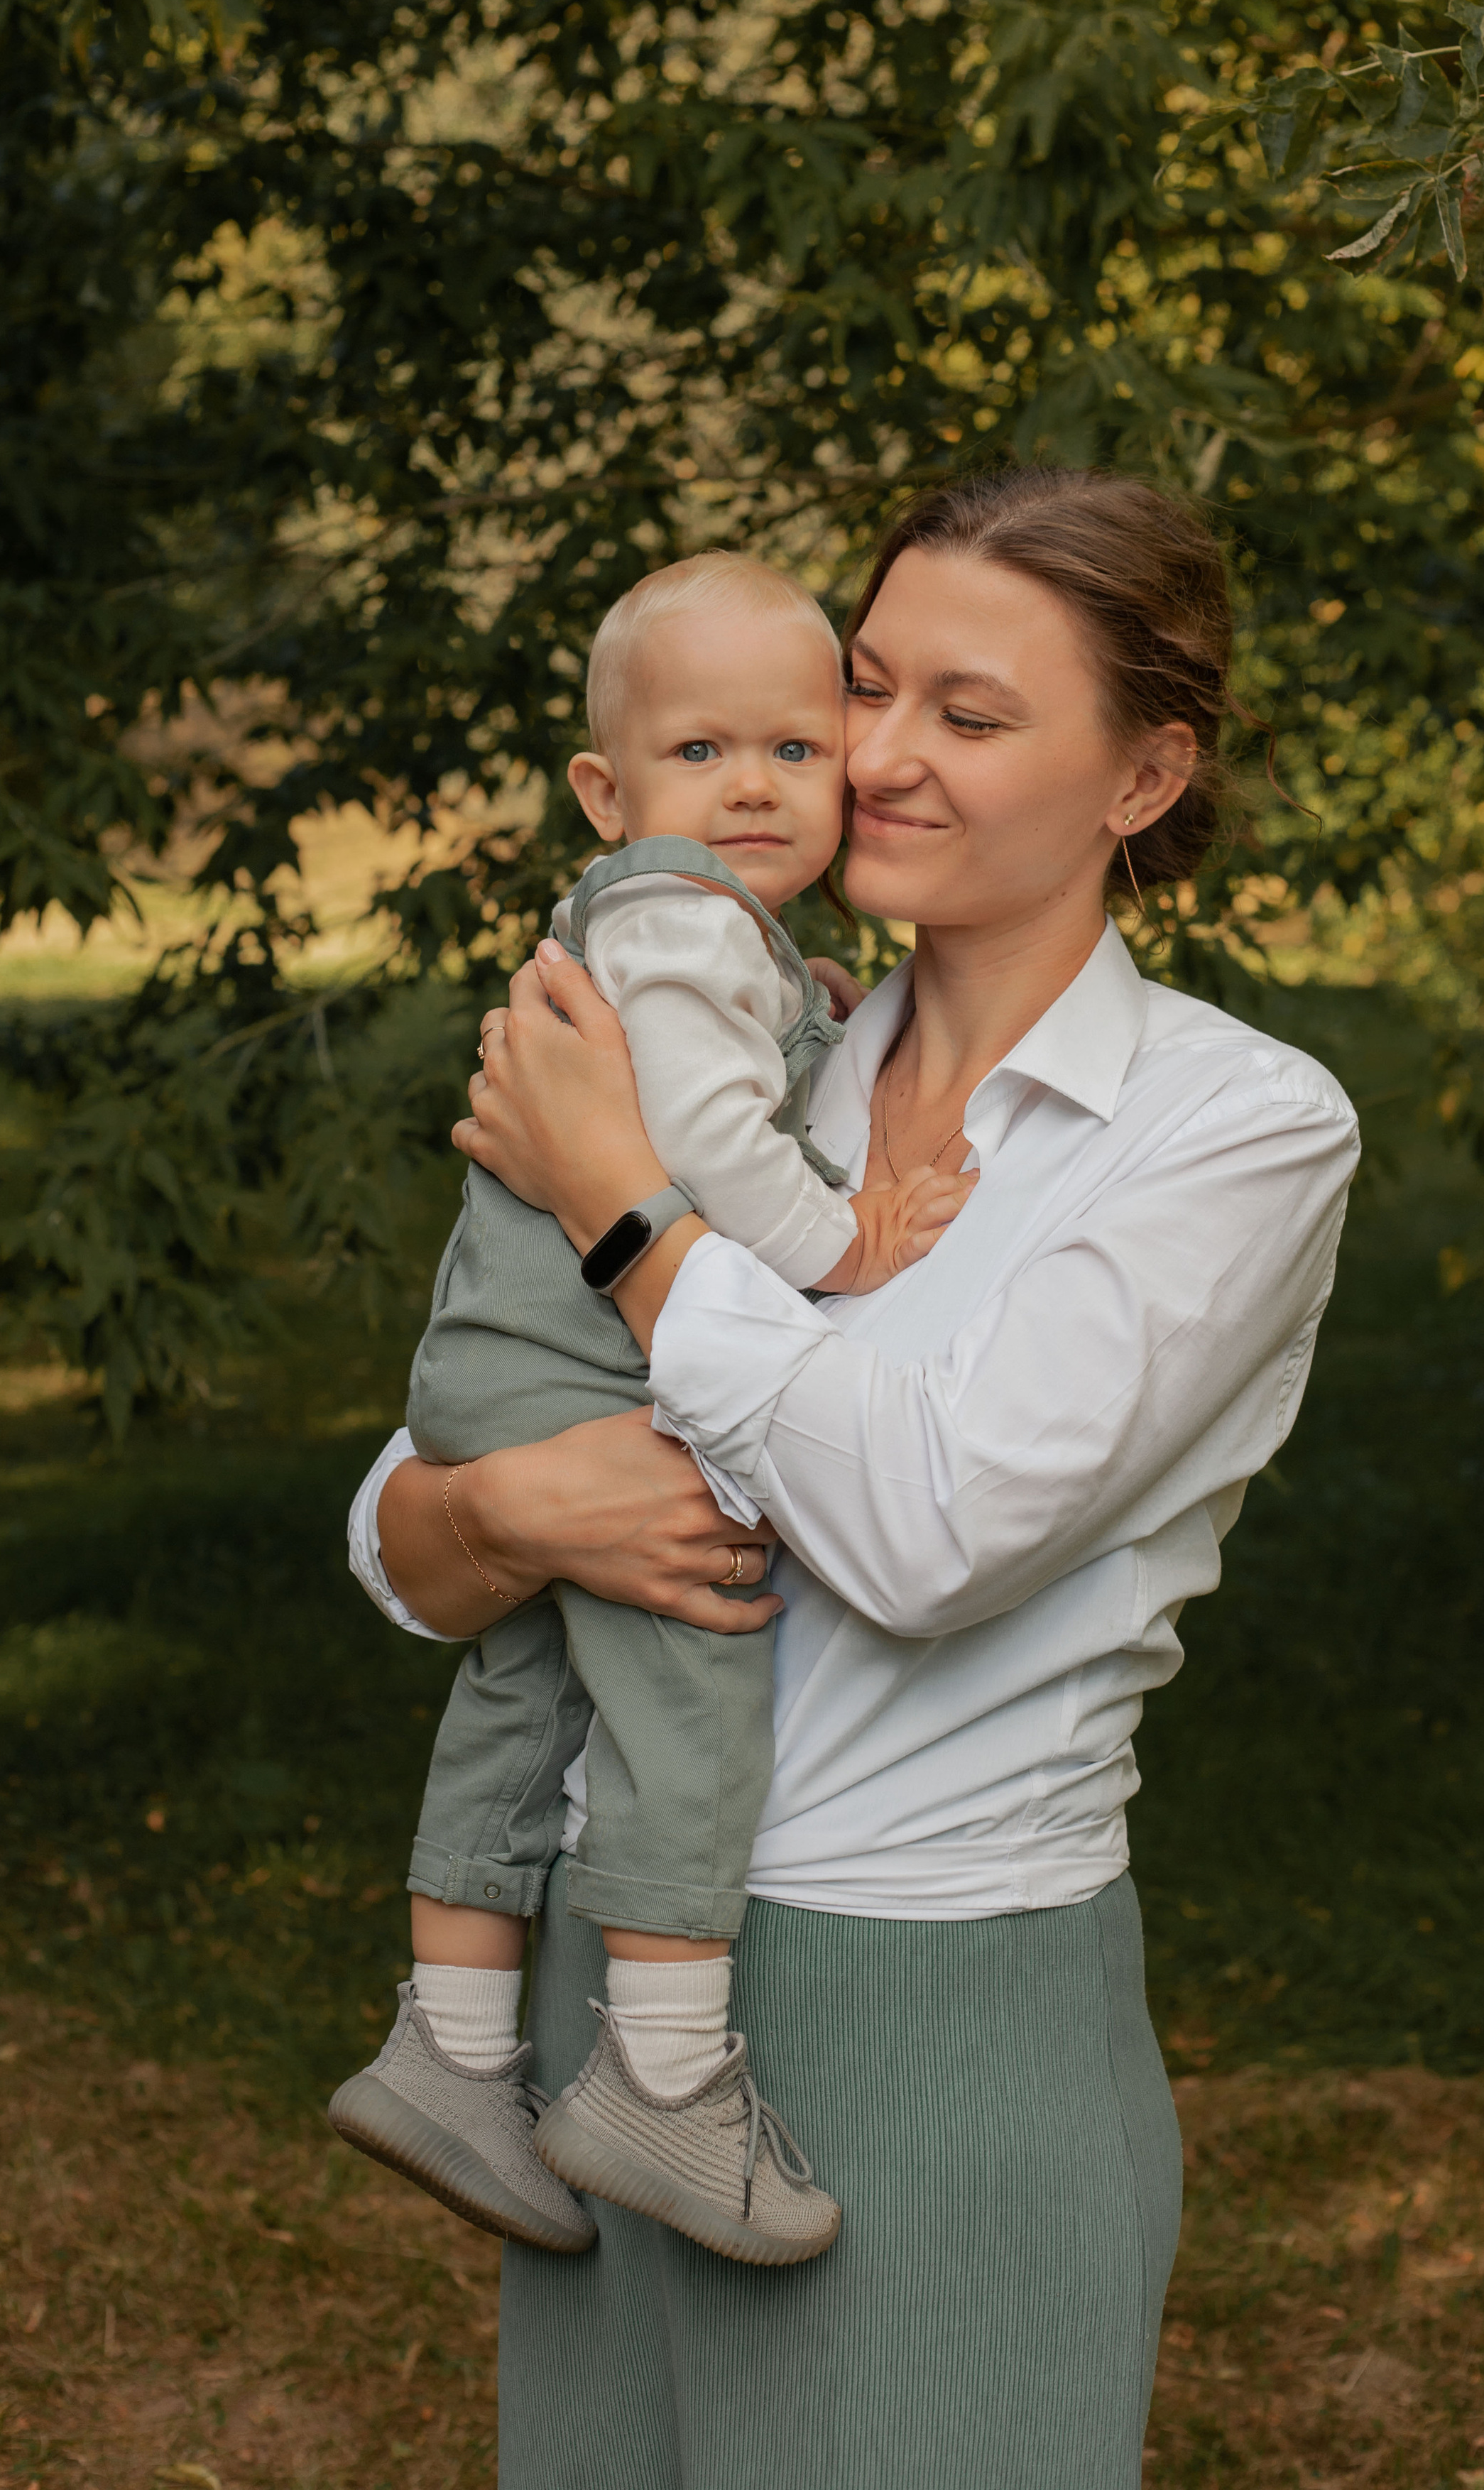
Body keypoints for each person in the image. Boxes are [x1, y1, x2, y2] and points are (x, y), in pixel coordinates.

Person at [347, 465, 1361, 2490]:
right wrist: (504, 1517)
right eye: (868, 686)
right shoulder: (740, 1044)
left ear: (1144, 776)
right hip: (621, 1998)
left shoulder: (1236, 1129)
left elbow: (925, 1533)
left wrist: (630, 1214)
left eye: (968, 720)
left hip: (935, 2013)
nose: (876, 761)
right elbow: (410, 1519)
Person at [330, 550, 973, 2266]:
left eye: (792, 748)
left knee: (521, 1687)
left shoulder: (686, 929)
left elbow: (711, 1057)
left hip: (501, 1364)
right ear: (607, 792)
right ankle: (665, 2084)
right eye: (700, 754)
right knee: (689, 1672)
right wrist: (846, 1235)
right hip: (585, 1363)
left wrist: (812, 1017)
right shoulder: (679, 916)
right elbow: (690, 1147)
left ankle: (453, 2053)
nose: (752, 784)